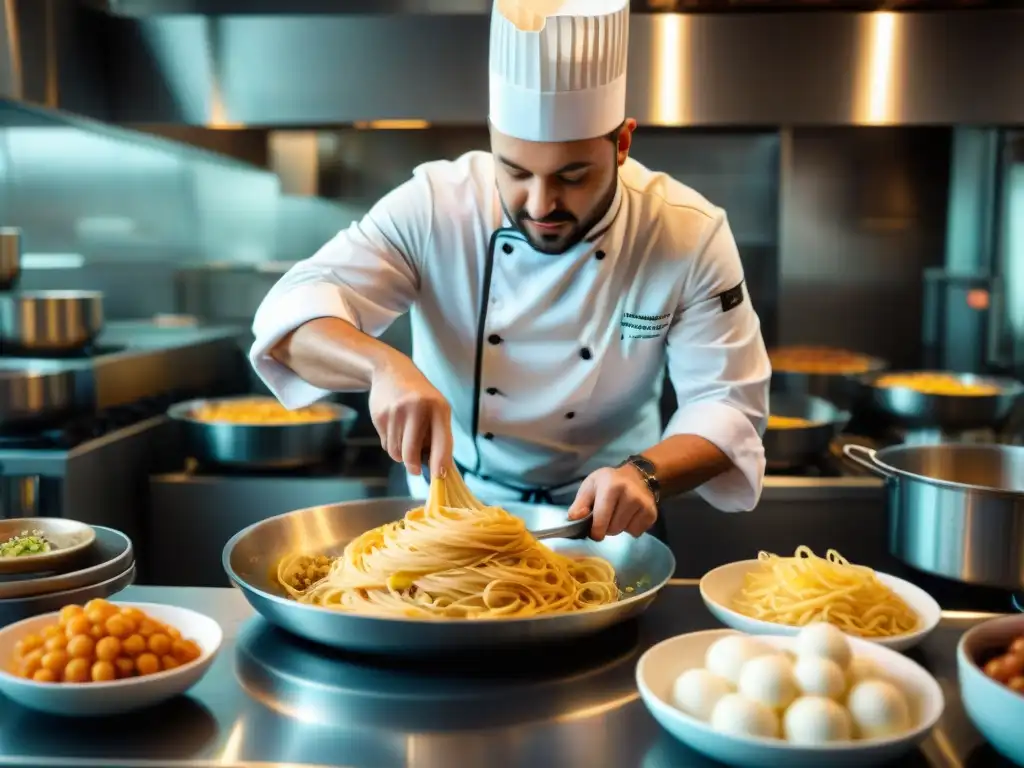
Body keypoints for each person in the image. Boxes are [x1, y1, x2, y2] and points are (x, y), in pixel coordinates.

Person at [250, 0, 771, 541]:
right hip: (450, 514)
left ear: (621, 144)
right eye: (516, 171)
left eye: (572, 176)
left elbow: (727, 404)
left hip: (606, 522)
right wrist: (381, 368)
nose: (541, 203)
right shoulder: (436, 205)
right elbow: (293, 315)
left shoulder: (687, 232)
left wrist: (645, 475)